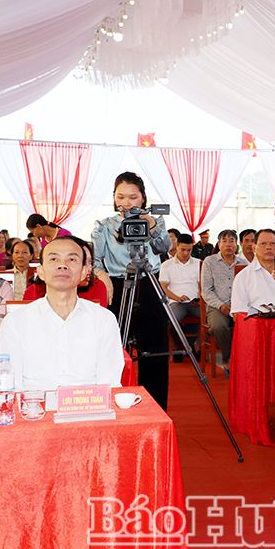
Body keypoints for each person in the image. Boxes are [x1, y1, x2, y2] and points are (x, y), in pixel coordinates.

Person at [0, 236, 124, 391]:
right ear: (40, 272)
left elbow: (109, 381)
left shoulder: (104, 319)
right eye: (54, 259)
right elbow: (9, 382)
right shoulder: (16, 321)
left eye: (71, 260)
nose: (62, 265)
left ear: (84, 272)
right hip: (33, 410)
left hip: (89, 408)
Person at [92, 171, 172, 409]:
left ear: (143, 199)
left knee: (155, 350)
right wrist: (102, 276)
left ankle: (155, 407)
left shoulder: (155, 220)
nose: (126, 203)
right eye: (121, 196)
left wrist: (154, 226)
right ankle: (116, 402)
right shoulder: (105, 226)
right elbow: (95, 261)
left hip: (149, 283)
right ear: (114, 198)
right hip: (118, 285)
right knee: (116, 348)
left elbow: (164, 248)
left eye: (133, 197)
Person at [201, 230, 246, 369]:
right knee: (218, 326)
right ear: (219, 244)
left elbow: (247, 288)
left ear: (236, 245)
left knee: (252, 323)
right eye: (224, 241)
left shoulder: (243, 263)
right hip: (216, 307)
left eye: (232, 241)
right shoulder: (210, 262)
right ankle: (228, 359)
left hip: (239, 305)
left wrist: (236, 305)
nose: (228, 244)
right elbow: (206, 291)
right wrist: (221, 305)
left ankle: (244, 359)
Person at [231, 229, 275, 316]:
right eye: (263, 244)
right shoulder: (243, 277)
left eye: (272, 244)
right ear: (254, 248)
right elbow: (238, 314)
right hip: (260, 326)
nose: (268, 247)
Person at [23, 239, 110, 306]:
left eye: (90, 262)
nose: (88, 268)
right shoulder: (34, 292)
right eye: (54, 259)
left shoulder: (97, 287)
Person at [160, 233, 202, 359]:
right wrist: (177, 297)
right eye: (182, 249)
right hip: (175, 302)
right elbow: (164, 287)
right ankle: (178, 348)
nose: (185, 253)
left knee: (210, 318)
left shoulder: (199, 263)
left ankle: (196, 345)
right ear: (176, 246)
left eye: (189, 250)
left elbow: (203, 285)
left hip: (195, 302)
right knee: (171, 320)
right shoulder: (166, 265)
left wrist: (200, 298)